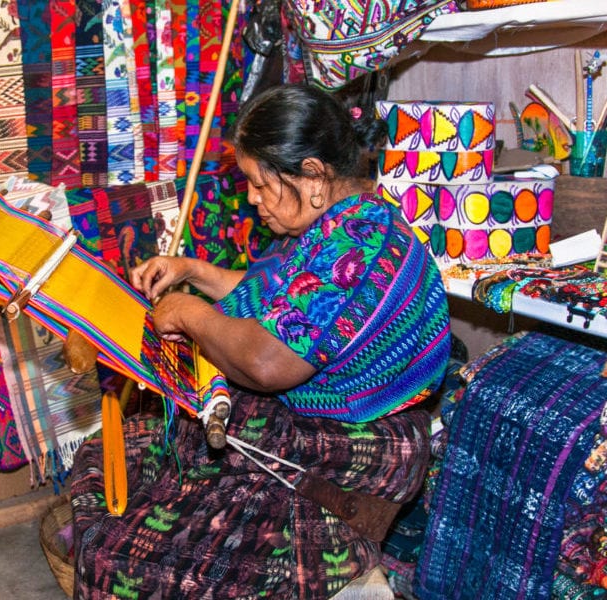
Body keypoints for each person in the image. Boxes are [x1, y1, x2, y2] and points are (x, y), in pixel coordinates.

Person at [69, 83, 451, 599]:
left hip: (336, 459)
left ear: (312, 175)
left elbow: (268, 360)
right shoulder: (345, 222)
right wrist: (194, 271)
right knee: (107, 460)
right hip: (299, 432)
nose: (250, 198)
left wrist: (190, 312)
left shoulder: (358, 247)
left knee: (120, 561)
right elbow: (279, 302)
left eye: (257, 183)